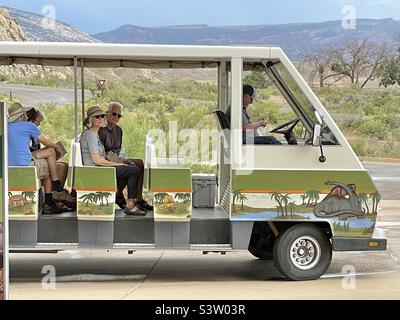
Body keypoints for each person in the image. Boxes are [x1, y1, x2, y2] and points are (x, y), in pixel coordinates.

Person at [7, 103, 73, 214]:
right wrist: (57, 148)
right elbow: (46, 142)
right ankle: (55, 192)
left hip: (8, 167)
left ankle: (51, 199)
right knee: (50, 154)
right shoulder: (28, 126)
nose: (27, 116)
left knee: (47, 162)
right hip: (25, 166)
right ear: (21, 116)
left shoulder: (5, 127)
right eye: (25, 114)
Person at [80, 106, 146, 216]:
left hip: (99, 168)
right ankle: (130, 205)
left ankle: (122, 197)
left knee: (130, 167)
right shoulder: (90, 135)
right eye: (97, 117)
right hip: (96, 170)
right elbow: (97, 160)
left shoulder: (93, 134)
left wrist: (120, 161)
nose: (101, 119)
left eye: (102, 116)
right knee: (133, 170)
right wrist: (117, 164)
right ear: (90, 120)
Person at [99, 102, 153, 211]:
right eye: (114, 114)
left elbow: (119, 149)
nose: (116, 117)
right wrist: (120, 160)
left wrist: (124, 157)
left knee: (139, 163)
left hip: (116, 157)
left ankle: (139, 198)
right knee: (132, 168)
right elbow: (102, 153)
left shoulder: (118, 130)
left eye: (119, 115)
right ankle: (121, 197)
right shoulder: (101, 130)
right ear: (107, 113)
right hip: (106, 161)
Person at [26, 108, 69, 192]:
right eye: (37, 122)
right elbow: (46, 143)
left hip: (35, 156)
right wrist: (55, 148)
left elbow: (37, 148)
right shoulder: (29, 128)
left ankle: (57, 192)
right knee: (59, 166)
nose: (38, 124)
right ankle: (56, 190)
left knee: (65, 165)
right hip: (29, 157)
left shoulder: (32, 130)